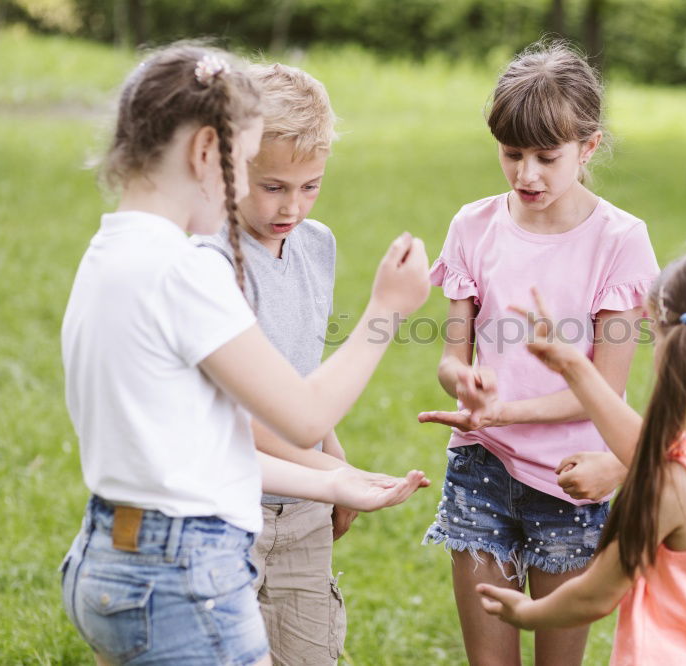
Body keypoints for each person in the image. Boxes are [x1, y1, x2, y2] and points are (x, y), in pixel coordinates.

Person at [58, 45, 429, 665]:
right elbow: (302, 416)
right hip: (183, 575)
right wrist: (385, 310)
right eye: (244, 166)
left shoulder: (110, 255)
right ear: (207, 153)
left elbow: (202, 443)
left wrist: (333, 478)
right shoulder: (187, 271)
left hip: (110, 552)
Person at [417, 41, 659, 665]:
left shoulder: (620, 242)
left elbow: (599, 389)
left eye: (548, 158)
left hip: (571, 478)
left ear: (589, 147)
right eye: (512, 154)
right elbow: (452, 359)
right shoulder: (473, 226)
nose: (528, 175)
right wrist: (465, 384)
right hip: (480, 471)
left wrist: (503, 413)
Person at [478, 248, 686, 666]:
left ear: (675, 344)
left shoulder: (675, 487)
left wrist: (527, 612)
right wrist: (574, 366)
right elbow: (652, 453)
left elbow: (595, 595)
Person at [195, 62, 352, 665]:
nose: (293, 206)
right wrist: (329, 474)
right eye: (273, 187)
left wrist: (333, 464)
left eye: (310, 185)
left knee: (309, 649)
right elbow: (235, 405)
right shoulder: (208, 259)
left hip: (304, 500)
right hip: (230, 499)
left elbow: (300, 375)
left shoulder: (317, 245)